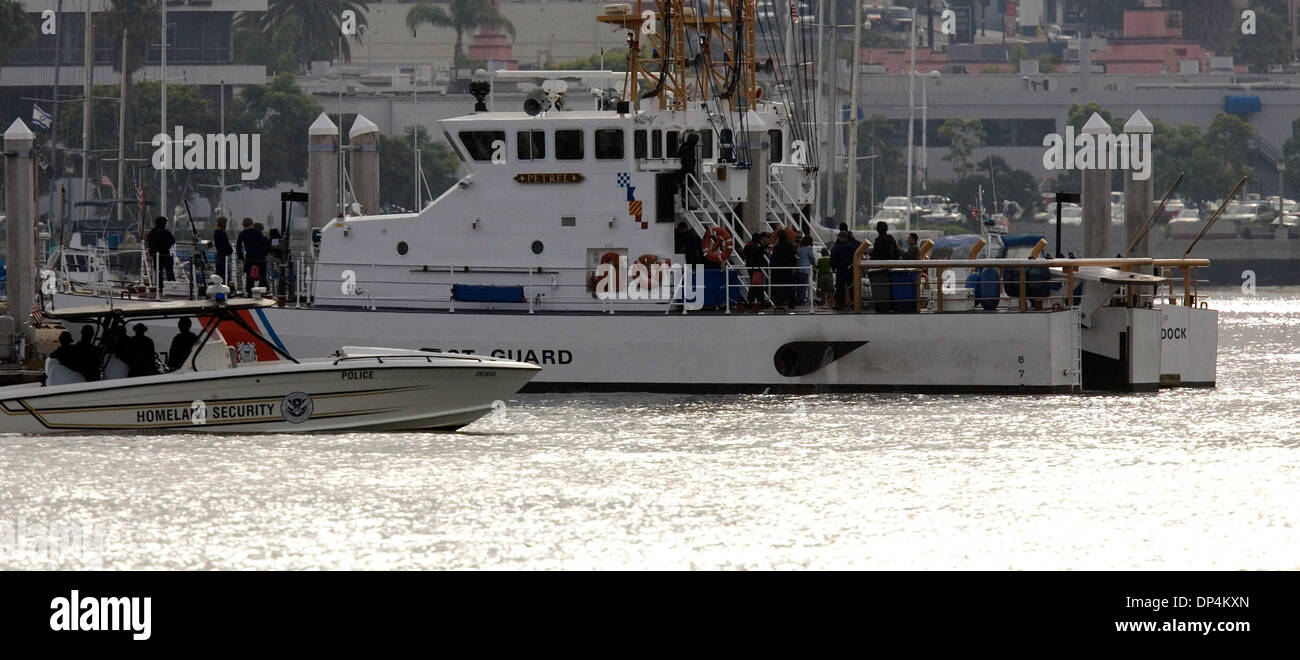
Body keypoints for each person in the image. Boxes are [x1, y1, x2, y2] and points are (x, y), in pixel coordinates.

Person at [741, 232, 771, 312]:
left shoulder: (749, 245)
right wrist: (764, 246)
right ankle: (756, 301)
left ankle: (755, 301)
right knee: (756, 284)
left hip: (751, 267)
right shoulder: (755, 246)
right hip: (755, 268)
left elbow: (744, 253)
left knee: (755, 284)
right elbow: (756, 252)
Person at [829, 230, 860, 309]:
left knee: (840, 287)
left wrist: (833, 268)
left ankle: (840, 304)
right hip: (850, 269)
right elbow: (857, 257)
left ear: (840, 237)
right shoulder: (852, 247)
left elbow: (832, 259)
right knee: (852, 287)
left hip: (840, 270)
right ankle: (854, 303)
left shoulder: (837, 247)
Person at [236, 217, 268, 294]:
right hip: (260, 258)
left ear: (243, 224)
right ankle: (262, 292)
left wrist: (241, 257)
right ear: (252, 223)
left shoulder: (242, 233)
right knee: (262, 276)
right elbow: (263, 244)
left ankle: (249, 292)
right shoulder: (258, 232)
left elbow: (238, 247)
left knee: (249, 277)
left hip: (249, 258)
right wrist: (264, 253)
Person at [769, 230, 798, 310]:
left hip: (779, 271)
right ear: (786, 237)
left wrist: (773, 268)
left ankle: (779, 303)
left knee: (779, 288)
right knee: (790, 287)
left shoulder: (777, 247)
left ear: (778, 237)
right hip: (788, 270)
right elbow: (794, 258)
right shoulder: (790, 246)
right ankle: (791, 304)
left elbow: (773, 259)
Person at [146, 216, 176, 281]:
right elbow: (172, 241)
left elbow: (149, 242)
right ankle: (171, 284)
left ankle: (160, 286)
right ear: (163, 223)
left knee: (158, 272)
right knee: (169, 270)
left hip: (156, 255)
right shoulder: (166, 232)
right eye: (165, 222)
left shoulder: (152, 232)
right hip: (165, 254)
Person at [677, 133, 700, 203]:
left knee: (685, 188)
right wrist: (691, 173)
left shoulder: (684, 147)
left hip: (683, 171)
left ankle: (686, 203)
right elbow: (688, 162)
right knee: (686, 188)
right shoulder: (689, 149)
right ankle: (686, 204)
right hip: (686, 172)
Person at [795, 235, 816, 305]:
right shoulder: (809, 249)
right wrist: (815, 264)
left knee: (799, 287)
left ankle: (798, 300)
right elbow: (812, 259)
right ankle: (801, 302)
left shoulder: (799, 249)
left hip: (798, 269)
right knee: (803, 287)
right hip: (805, 270)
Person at [213, 216, 233, 287]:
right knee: (225, 274)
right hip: (223, 256)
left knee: (219, 273)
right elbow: (226, 244)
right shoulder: (222, 233)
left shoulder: (215, 232)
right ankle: (224, 287)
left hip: (219, 255)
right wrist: (230, 250)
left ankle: (218, 287)